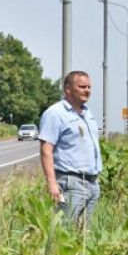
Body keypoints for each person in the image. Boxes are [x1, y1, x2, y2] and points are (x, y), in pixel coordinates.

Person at [39, 70, 102, 227]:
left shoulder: (87, 114)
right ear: (68, 88)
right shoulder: (55, 113)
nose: (87, 90)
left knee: (85, 233)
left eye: (89, 87)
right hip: (71, 183)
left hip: (92, 183)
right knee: (65, 230)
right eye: (82, 87)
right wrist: (52, 184)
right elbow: (46, 150)